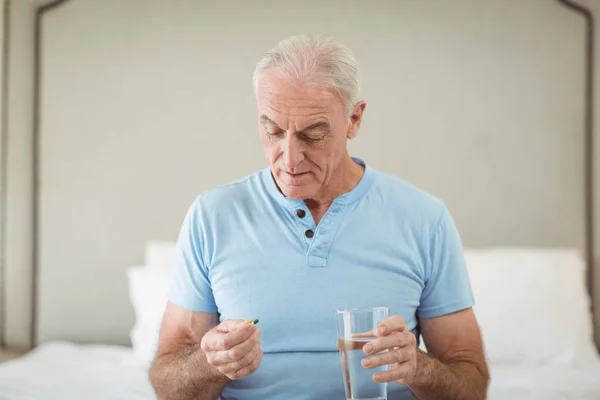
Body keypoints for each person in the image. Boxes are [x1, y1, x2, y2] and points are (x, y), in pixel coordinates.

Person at [148, 34, 489, 400]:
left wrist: (418, 368)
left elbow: (471, 385)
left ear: (354, 119)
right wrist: (209, 362)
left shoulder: (425, 219)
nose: (290, 158)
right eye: (273, 130)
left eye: (314, 134)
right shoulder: (212, 216)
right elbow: (168, 385)